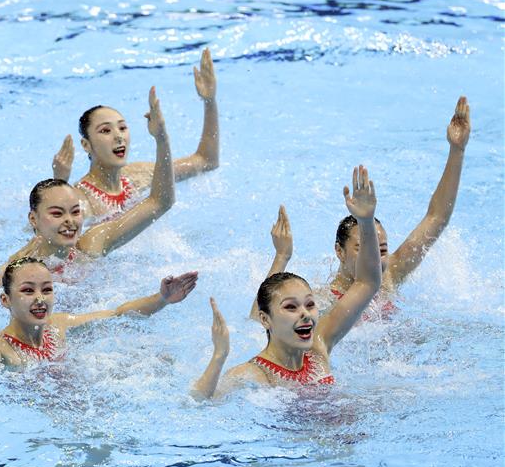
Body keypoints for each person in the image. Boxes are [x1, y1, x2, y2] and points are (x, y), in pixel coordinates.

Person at [191, 166, 381, 399]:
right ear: (265, 319)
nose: (305, 313)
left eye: (310, 305)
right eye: (291, 307)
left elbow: (367, 283)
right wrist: (219, 356)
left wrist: (366, 221)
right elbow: (199, 402)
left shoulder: (318, 349)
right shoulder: (256, 375)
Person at [0, 87, 176, 285]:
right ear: (34, 219)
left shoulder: (91, 244)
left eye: (76, 212)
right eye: (57, 214)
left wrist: (161, 138)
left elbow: (160, 201)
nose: (70, 221)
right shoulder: (22, 266)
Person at [0, 243, 198, 374]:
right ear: (5, 300)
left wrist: (161, 298)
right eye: (28, 290)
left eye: (47, 289)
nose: (40, 299)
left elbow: (118, 314)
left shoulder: (59, 327)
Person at [52, 48, 219, 220]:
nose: (118, 136)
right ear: (86, 145)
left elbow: (207, 161)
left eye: (122, 128)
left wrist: (210, 101)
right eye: (105, 130)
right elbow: (44, 234)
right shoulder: (81, 199)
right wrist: (59, 182)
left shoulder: (138, 175)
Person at [329, 97, 470, 298]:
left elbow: (436, 218)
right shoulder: (322, 302)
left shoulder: (390, 276)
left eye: (383, 250)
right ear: (339, 251)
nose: (375, 258)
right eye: (363, 248)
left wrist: (457, 150)